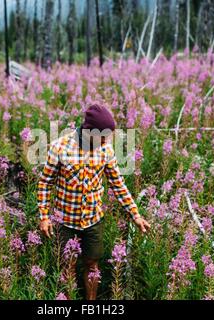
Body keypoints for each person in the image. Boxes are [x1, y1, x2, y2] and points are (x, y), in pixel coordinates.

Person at [38, 104, 151, 300]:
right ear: (89, 131)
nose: (107, 140)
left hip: (93, 219)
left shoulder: (105, 150)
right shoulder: (60, 147)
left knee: (92, 264)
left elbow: (118, 184)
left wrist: (136, 214)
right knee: (68, 265)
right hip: (65, 220)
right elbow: (45, 183)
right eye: (104, 136)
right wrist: (44, 216)